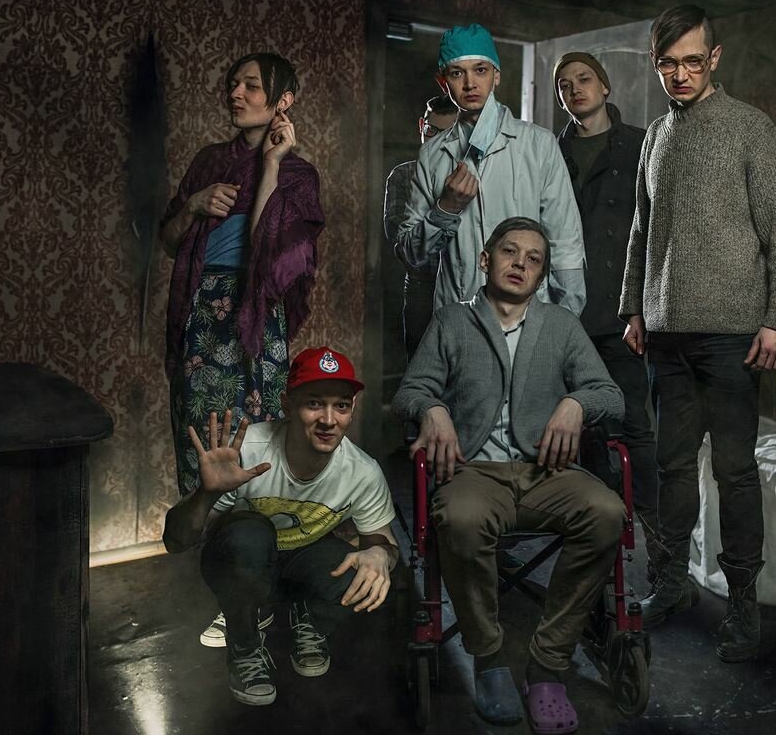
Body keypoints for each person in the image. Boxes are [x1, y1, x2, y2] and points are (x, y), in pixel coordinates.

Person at [621, 6, 776, 663]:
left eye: (693, 61)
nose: (681, 74)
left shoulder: (752, 128)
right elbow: (641, 231)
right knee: (671, 468)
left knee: (734, 472)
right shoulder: (654, 136)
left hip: (732, 337)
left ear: (715, 58)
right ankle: (670, 584)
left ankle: (743, 604)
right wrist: (634, 308)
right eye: (668, 64)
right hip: (665, 335)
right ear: (656, 64)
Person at [393, 218, 624, 733]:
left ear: (541, 275)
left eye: (533, 259)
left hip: (547, 471)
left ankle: (548, 662)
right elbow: (409, 392)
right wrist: (432, 408)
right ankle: (490, 658)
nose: (520, 263)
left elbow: (611, 396)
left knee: (607, 511)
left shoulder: (561, 325)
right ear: (485, 260)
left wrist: (576, 403)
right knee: (461, 518)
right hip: (474, 471)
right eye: (509, 252)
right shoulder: (452, 321)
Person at [160, 52, 325, 647]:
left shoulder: (298, 174)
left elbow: (267, 252)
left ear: (283, 100)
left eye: (252, 86)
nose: (237, 93)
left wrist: (273, 163)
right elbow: (168, 240)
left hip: (255, 320)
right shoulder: (210, 161)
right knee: (208, 449)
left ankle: (274, 590)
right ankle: (236, 600)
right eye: (233, 84)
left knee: (259, 445)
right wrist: (193, 204)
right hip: (201, 316)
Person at [162, 346, 397, 706]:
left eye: (341, 406)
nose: (329, 420)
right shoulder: (249, 451)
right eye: (314, 403)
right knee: (248, 537)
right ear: (288, 405)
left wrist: (381, 553)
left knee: (371, 579)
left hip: (303, 562)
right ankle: (244, 644)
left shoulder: (362, 472)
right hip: (245, 561)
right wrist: (205, 495)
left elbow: (385, 543)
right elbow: (175, 542)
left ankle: (310, 617)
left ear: (352, 410)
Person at [553, 51, 670, 596]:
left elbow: (658, 230)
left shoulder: (641, 145)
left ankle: (661, 556)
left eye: (584, 79)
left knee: (636, 431)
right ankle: (594, 557)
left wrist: (645, 306)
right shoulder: (551, 153)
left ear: (604, 87)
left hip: (624, 313)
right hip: (566, 313)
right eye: (564, 85)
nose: (574, 89)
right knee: (581, 434)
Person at [398, 23, 587, 315]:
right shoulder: (432, 156)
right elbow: (411, 252)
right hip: (458, 317)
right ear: (443, 82)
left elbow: (565, 242)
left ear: (496, 75)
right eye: (457, 73)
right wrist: (446, 209)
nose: (470, 84)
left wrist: (565, 322)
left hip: (527, 317)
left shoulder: (538, 144)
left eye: (480, 70)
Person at [383, 95, 459, 358]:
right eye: (431, 131)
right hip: (421, 289)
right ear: (421, 126)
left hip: (465, 288)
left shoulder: (470, 177)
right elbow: (400, 241)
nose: (437, 142)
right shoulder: (403, 175)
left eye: (447, 134)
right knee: (421, 367)